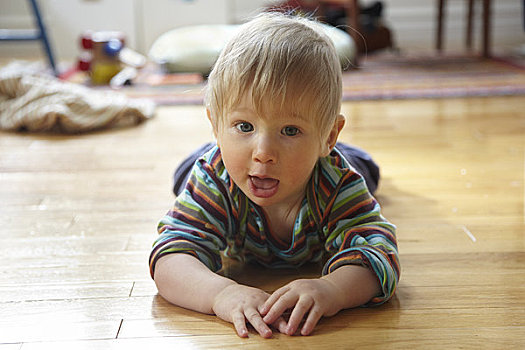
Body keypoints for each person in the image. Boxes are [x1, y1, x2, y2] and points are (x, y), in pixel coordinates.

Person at [149, 12, 400, 338]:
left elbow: (378, 254)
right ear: (213, 123)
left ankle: (305, 140)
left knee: (364, 169)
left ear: (328, 136)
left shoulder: (337, 183)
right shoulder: (214, 178)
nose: (264, 151)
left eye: (290, 130)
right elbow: (171, 255)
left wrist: (332, 290)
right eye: (245, 126)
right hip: (218, 164)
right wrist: (220, 293)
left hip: (327, 161)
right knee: (186, 175)